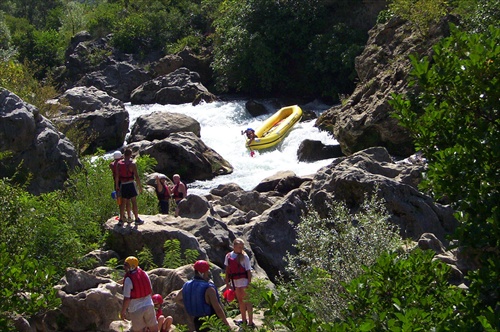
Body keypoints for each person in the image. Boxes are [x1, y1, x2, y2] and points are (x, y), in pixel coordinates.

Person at [173, 260, 230, 331]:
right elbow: (218, 309)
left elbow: (177, 299)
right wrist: (227, 324)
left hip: (197, 321)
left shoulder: (187, 285)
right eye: (207, 271)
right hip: (211, 321)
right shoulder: (209, 289)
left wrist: (189, 306)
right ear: (203, 272)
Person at [120, 256, 158, 332]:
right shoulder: (144, 274)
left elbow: (127, 298)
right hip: (149, 305)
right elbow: (150, 291)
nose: (124, 267)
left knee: (139, 329)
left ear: (132, 266)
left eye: (126, 265)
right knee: (153, 327)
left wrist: (123, 311)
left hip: (135, 309)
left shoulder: (128, 279)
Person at [225, 238, 254, 328]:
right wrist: (227, 282)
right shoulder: (229, 256)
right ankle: (244, 320)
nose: (241, 249)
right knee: (241, 301)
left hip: (244, 281)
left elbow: (248, 271)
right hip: (235, 282)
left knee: (248, 301)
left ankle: (250, 322)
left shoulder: (244, 256)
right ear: (234, 246)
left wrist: (249, 283)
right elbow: (227, 270)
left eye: (242, 247)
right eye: (239, 247)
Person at [115, 148, 143, 224]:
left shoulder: (119, 164)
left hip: (123, 185)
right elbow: (137, 176)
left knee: (123, 203)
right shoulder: (133, 164)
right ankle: (136, 219)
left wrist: (117, 185)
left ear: (124, 154)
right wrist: (140, 187)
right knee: (134, 202)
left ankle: (121, 220)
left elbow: (117, 176)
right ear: (130, 154)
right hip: (131, 184)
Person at [110, 151, 132, 221]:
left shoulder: (111, 164)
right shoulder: (122, 163)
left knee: (120, 200)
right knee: (127, 200)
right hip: (124, 183)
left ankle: (122, 216)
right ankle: (129, 216)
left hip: (116, 184)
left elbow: (113, 163)